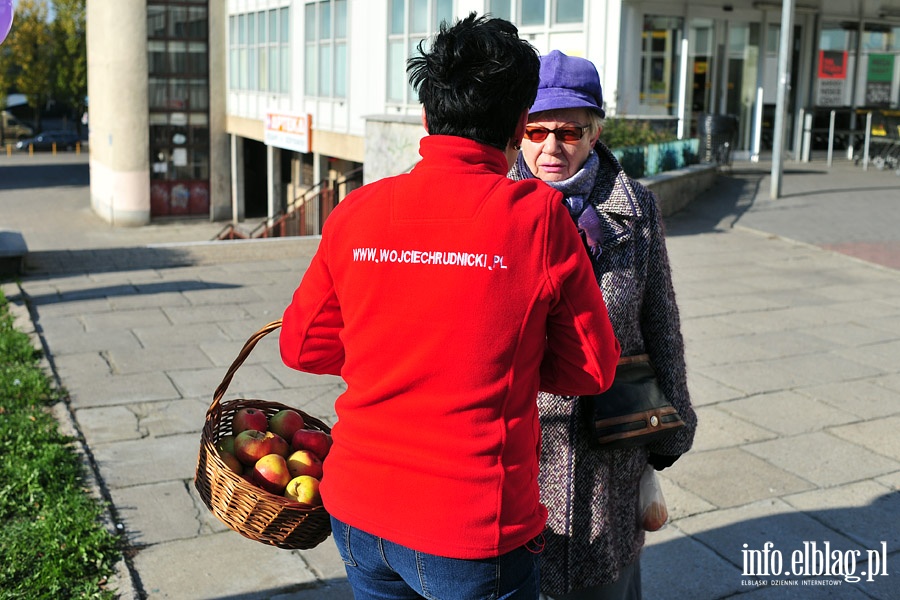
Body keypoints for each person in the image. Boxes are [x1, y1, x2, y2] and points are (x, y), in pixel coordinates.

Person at [279, 17, 621, 600]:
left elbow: (301, 345)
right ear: (519, 126)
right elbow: (591, 368)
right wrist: (495, 360)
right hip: (472, 528)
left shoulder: (356, 212)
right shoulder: (538, 218)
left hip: (358, 509)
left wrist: (393, 352)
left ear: (425, 116)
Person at [508, 50, 698, 600]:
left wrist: (671, 429)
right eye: (535, 130)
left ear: (594, 134)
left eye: (568, 132)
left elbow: (660, 317)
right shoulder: (497, 206)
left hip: (610, 441)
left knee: (605, 580)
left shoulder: (634, 207)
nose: (550, 147)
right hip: (526, 439)